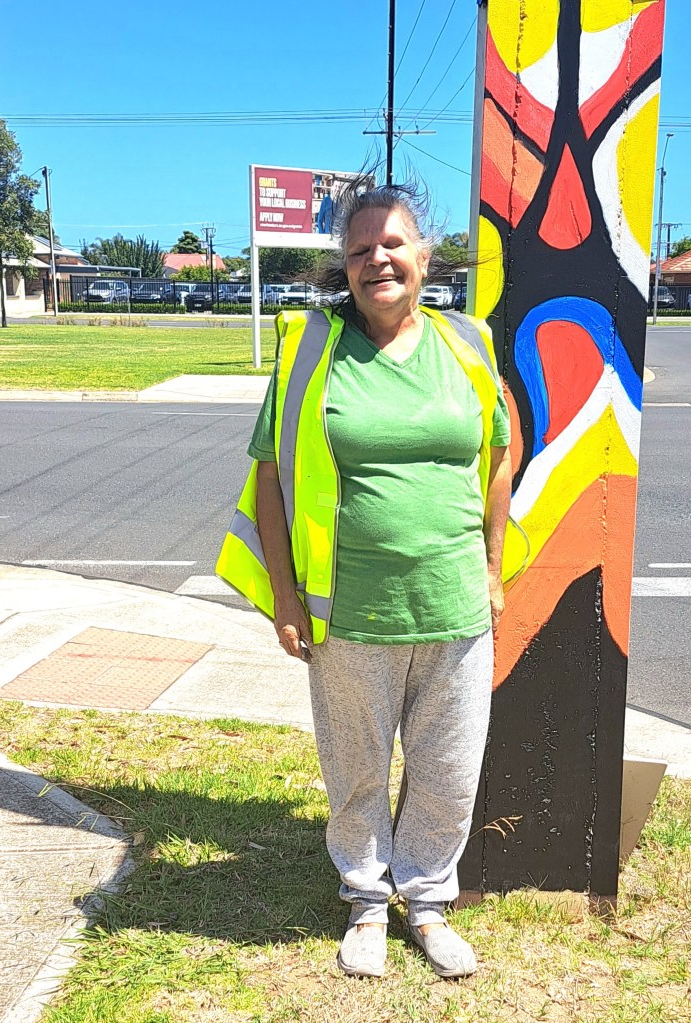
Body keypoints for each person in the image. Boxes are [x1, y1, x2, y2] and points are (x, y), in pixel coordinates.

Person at [246, 179, 512, 979]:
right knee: (355, 765)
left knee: (447, 766)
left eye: (392, 244)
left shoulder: (468, 342)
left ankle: (427, 904)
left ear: (424, 257)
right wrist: (286, 598)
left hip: (454, 602)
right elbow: (268, 475)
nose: (377, 260)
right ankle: (366, 901)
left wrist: (495, 565)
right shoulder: (312, 350)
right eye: (360, 250)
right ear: (344, 268)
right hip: (351, 609)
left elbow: (503, 449)